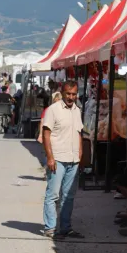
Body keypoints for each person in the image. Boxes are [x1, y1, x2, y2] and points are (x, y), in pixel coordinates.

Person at [41, 80, 84, 239]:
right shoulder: (53, 110)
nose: (71, 97)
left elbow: (79, 132)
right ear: (62, 93)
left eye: (74, 94)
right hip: (58, 158)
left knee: (69, 196)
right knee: (53, 195)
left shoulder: (77, 111)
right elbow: (46, 134)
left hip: (73, 159)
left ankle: (66, 227)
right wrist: (50, 157)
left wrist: (80, 153)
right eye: (68, 94)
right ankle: (50, 228)